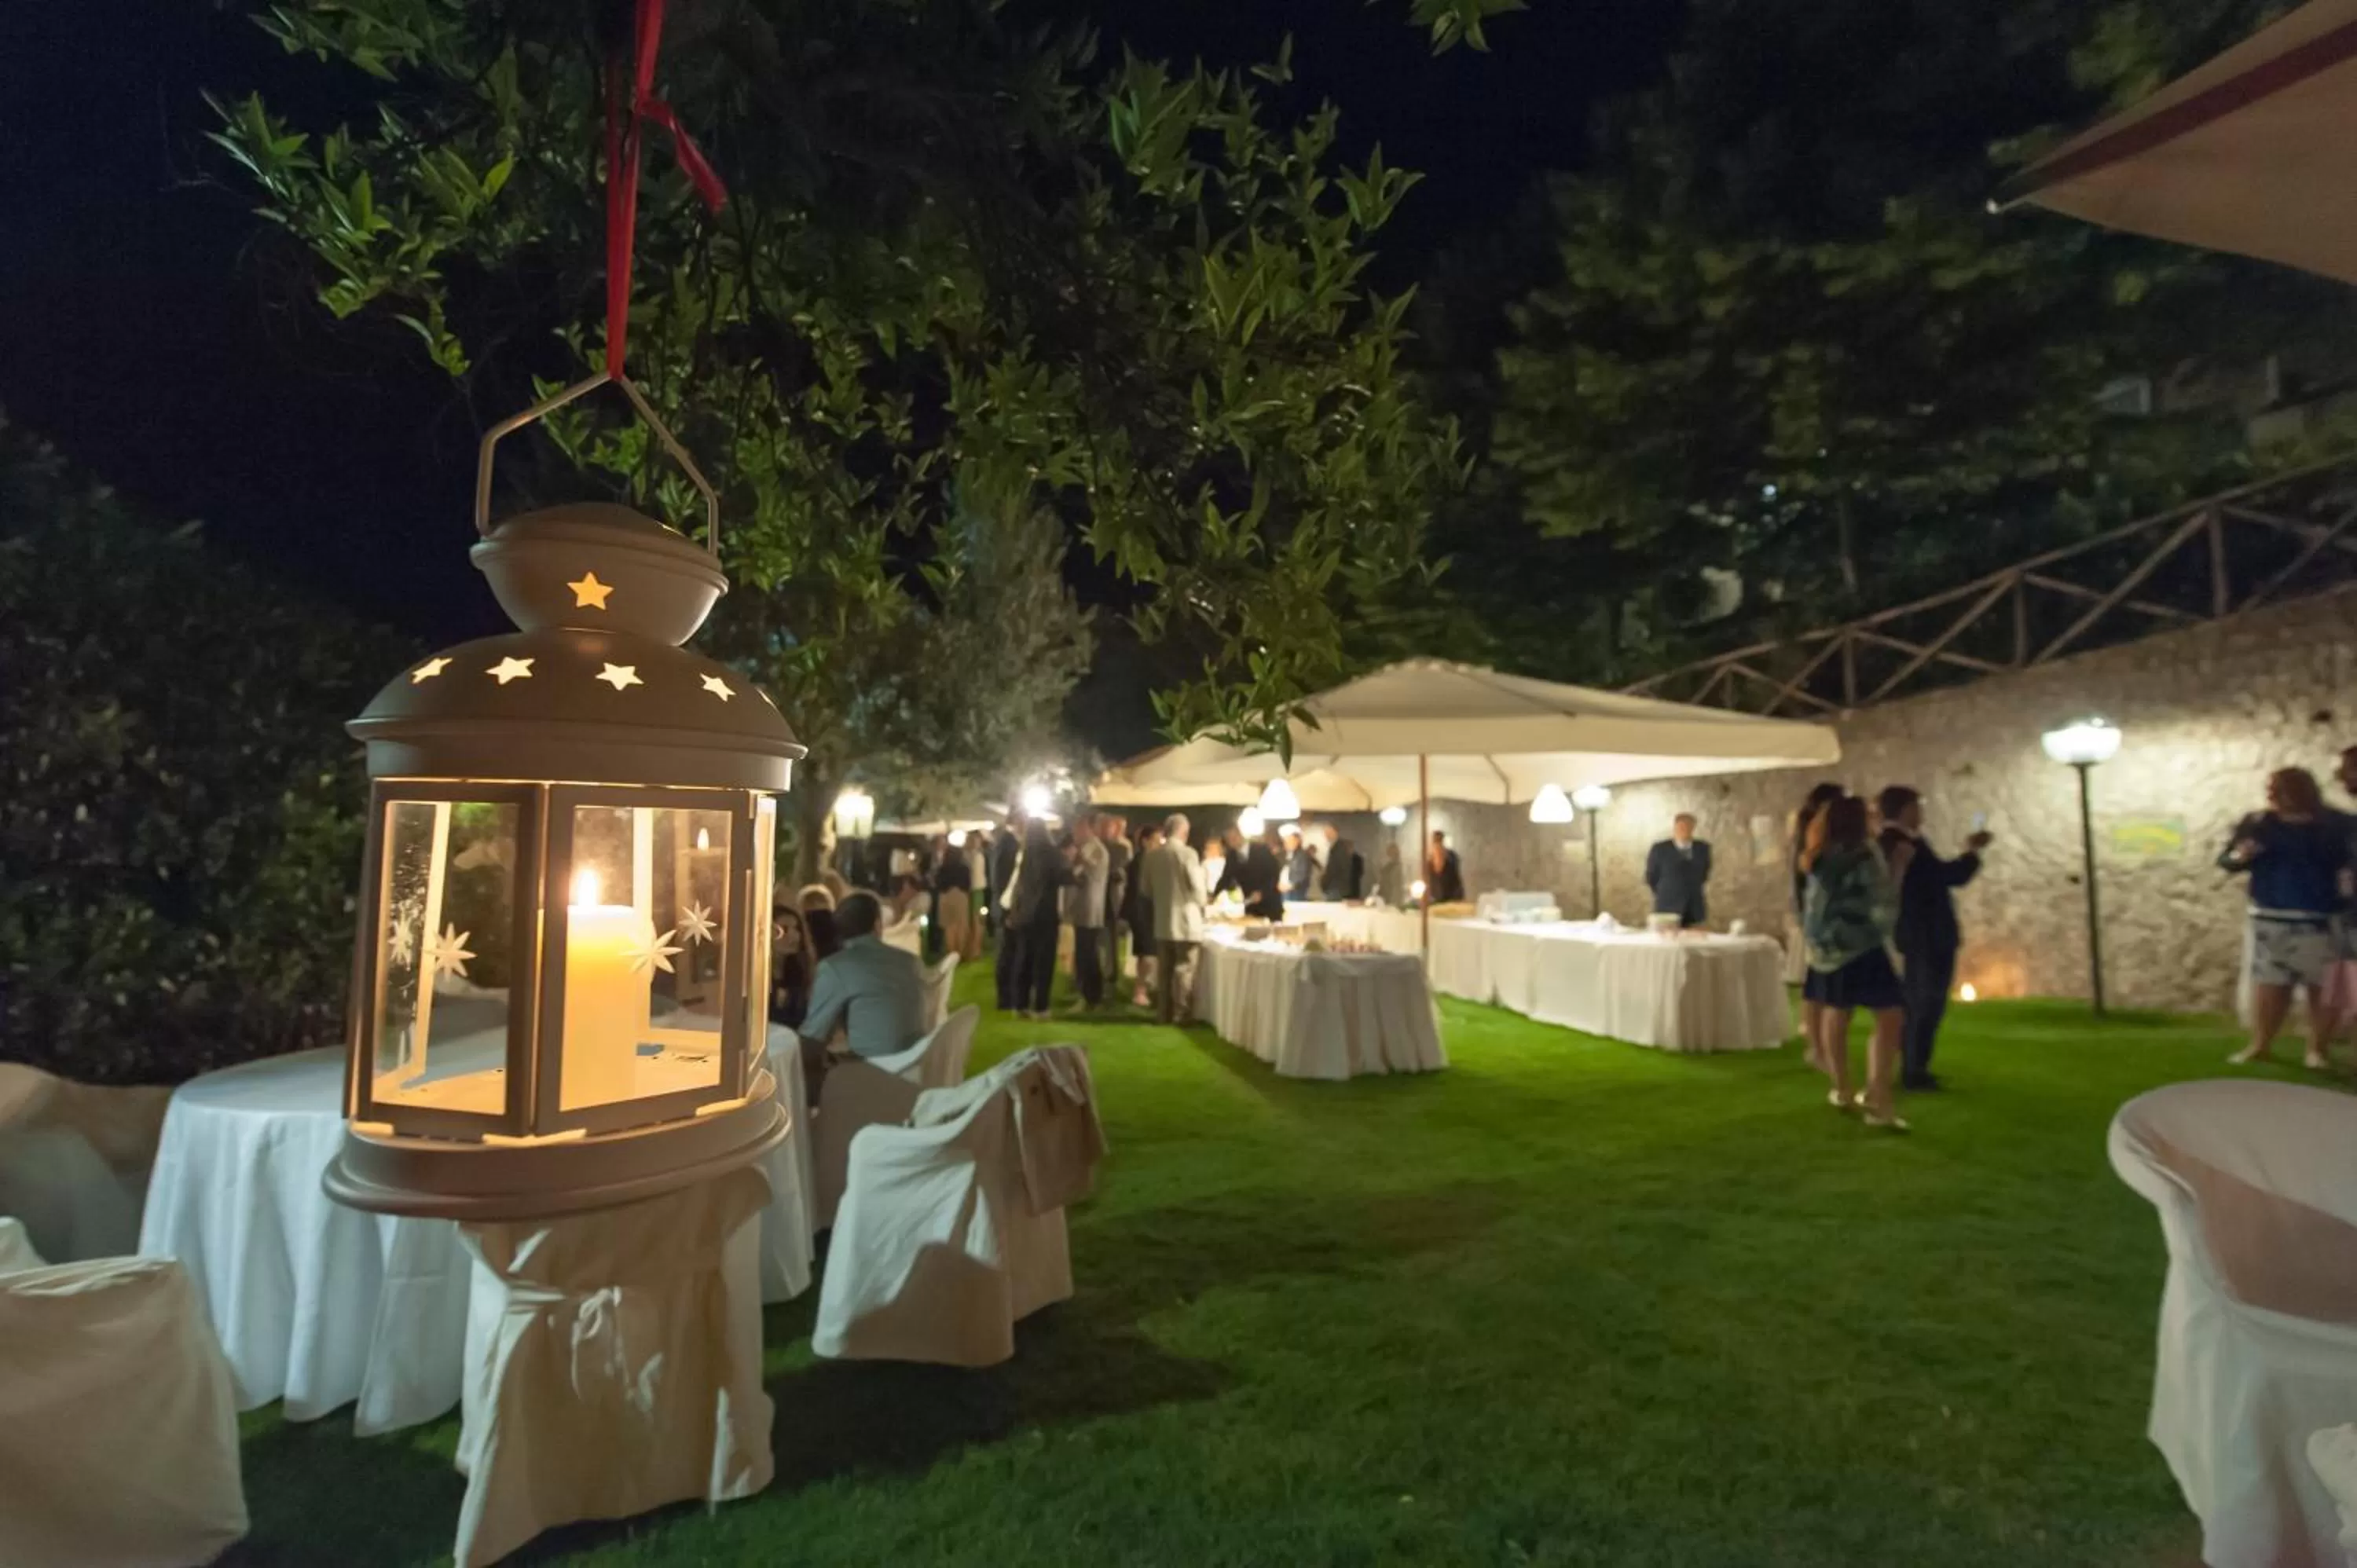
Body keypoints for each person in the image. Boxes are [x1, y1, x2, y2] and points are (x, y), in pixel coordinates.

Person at [2220, 767, 2350, 1069]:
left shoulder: (2338, 825)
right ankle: (2260, 1044)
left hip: (2323, 918)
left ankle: (2318, 1050)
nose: (2273, 795)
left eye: (2280, 788)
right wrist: (2242, 855)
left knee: (2325, 986)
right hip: (2270, 916)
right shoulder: (2259, 824)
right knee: (2270, 985)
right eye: (2271, 788)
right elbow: (2227, 861)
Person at [1802, 794, 1911, 1130]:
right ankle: (1878, 1095)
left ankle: (1843, 1088)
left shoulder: (1818, 857)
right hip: (1861, 945)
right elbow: (1881, 900)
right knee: (1890, 1015)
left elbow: (1813, 908)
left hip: (1828, 949)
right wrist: (1900, 868)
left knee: (1839, 1012)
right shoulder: (1864, 854)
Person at [1875, 785, 1992, 1092]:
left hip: (1923, 931)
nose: (1922, 812)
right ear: (1905, 809)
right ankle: (1914, 1070)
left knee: (1921, 999)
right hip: (1925, 932)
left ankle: (1915, 1065)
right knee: (1926, 1000)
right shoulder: (1897, 843)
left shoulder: (1906, 841)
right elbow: (1945, 876)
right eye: (1918, 805)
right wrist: (1972, 853)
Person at [797, 890, 928, 1093]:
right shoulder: (910, 961)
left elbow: (813, 1037)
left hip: (875, 1074)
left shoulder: (836, 968)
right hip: (917, 1063)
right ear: (877, 925)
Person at [1790, 782, 1846, 1073]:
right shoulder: (1812, 834)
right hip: (1819, 920)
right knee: (1819, 987)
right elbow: (1804, 881)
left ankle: (1817, 1044)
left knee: (1817, 986)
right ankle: (1817, 1045)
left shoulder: (1810, 831)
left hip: (1814, 918)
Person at [1141, 812, 1208, 1022]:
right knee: (1184, 969)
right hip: (1187, 921)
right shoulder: (1188, 854)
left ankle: (1164, 1013)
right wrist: (1204, 903)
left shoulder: (1151, 856)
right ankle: (1181, 1012)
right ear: (1184, 832)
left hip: (1162, 920)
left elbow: (1145, 889)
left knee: (1165, 970)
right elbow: (1197, 888)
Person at [1003, 817, 1071, 1019]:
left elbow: (1020, 886)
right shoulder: (1051, 853)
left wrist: (1015, 912)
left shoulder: (1025, 856)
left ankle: (1020, 1004)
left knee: (1024, 959)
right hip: (1046, 914)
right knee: (1044, 962)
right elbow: (1062, 876)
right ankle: (1041, 1006)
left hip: (1026, 915)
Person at [1063, 812, 1110, 1010]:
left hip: (1090, 911)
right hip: (1084, 910)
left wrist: (1075, 859)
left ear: (1087, 828)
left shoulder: (1095, 849)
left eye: (1078, 829)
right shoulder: (1090, 848)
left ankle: (1091, 997)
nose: (1075, 834)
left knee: (1088, 955)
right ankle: (1089, 995)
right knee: (1085, 954)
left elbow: (1083, 873)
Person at [1643, 813, 1713, 929]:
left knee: (1695, 943)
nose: (1684, 830)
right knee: (1666, 943)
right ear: (1675, 827)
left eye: (1688, 827)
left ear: (1693, 828)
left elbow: (1704, 874)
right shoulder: (1660, 849)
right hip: (1667, 908)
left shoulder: (1702, 848)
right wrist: (1668, 891)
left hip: (1694, 908)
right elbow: (1651, 877)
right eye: (1681, 826)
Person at [1125, 820, 1164, 1007]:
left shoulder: (1146, 860)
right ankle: (1140, 990)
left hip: (1144, 912)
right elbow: (1141, 891)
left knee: (1145, 954)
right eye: (1156, 840)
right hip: (1141, 913)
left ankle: (1141, 989)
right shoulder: (1141, 862)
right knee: (1148, 953)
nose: (1159, 844)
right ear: (1145, 841)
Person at [991, 818, 1025, 1010]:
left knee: (1007, 953)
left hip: (1002, 905)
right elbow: (1006, 880)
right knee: (1008, 954)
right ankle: (1006, 998)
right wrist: (1010, 909)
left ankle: (1007, 997)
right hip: (1007, 906)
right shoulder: (1009, 844)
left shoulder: (1003, 843)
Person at [768, 902, 814, 1029]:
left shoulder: (801, 972)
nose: (795, 937)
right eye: (784, 929)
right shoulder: (752, 976)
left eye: (797, 929)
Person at [1102, 812, 1134, 995]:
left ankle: (1111, 972)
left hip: (1115, 894)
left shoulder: (1122, 847)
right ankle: (1108, 971)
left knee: (1112, 934)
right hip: (1107, 894)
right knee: (1106, 935)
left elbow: (1121, 870)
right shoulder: (1110, 846)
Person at [933, 836, 976, 962]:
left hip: (946, 897)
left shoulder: (942, 868)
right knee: (961, 926)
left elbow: (938, 884)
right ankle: (960, 953)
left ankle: (952, 954)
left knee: (949, 927)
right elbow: (968, 885)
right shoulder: (964, 868)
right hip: (961, 897)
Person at [1424, 830, 1466, 905]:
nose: (1438, 843)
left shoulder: (1451, 856)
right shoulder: (1430, 859)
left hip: (1451, 895)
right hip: (1436, 896)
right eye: (1436, 840)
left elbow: (1454, 875)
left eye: (1439, 839)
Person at [1323, 831, 1365, 902]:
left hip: (1352, 885)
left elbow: (1360, 872)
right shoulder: (1342, 858)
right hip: (1342, 886)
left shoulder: (1357, 858)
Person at [1375, 841, 1407, 907]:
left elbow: (1399, 887)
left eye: (1395, 853)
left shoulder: (1400, 867)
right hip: (1385, 899)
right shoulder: (1386, 868)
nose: (1393, 855)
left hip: (1395, 901)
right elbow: (1382, 883)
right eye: (1391, 853)